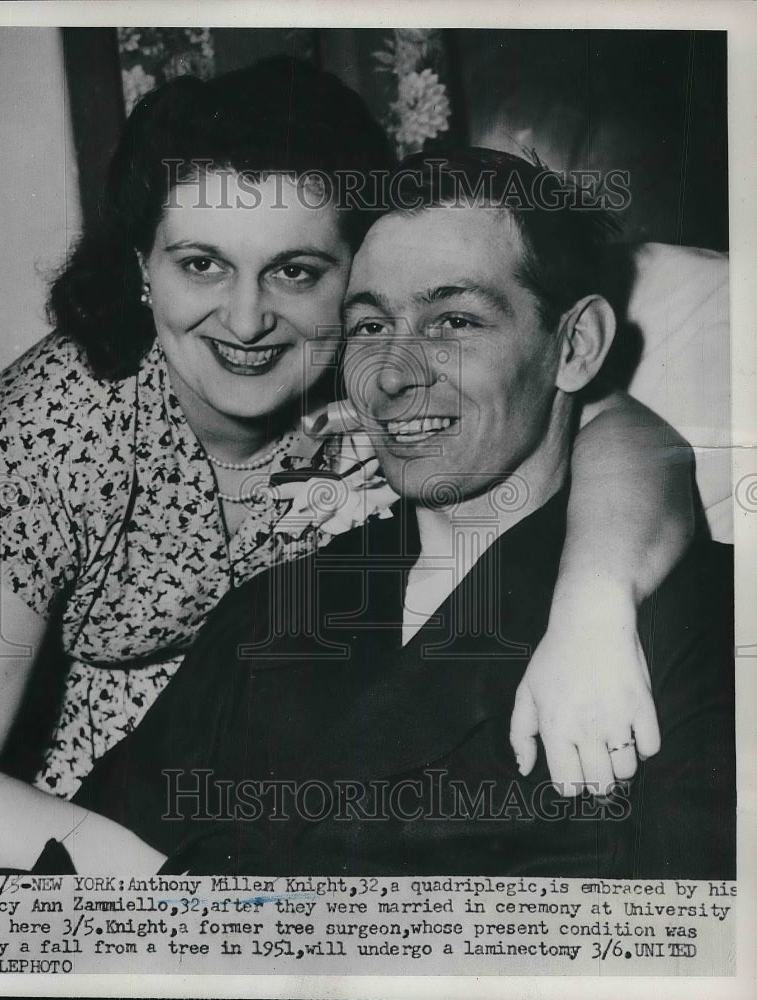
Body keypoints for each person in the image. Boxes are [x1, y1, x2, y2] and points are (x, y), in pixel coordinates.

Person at [0, 55, 692, 875]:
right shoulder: (61, 415)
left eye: (295, 271)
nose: (246, 321)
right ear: (143, 268)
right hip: (54, 849)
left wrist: (594, 609)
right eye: (201, 264)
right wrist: (202, 909)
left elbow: (620, 430)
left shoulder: (386, 385)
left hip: (286, 824)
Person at [74, 150, 735, 878]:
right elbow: (91, 887)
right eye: (367, 328)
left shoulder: (695, 623)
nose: (391, 374)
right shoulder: (272, 614)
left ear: (573, 346)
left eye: (452, 321)